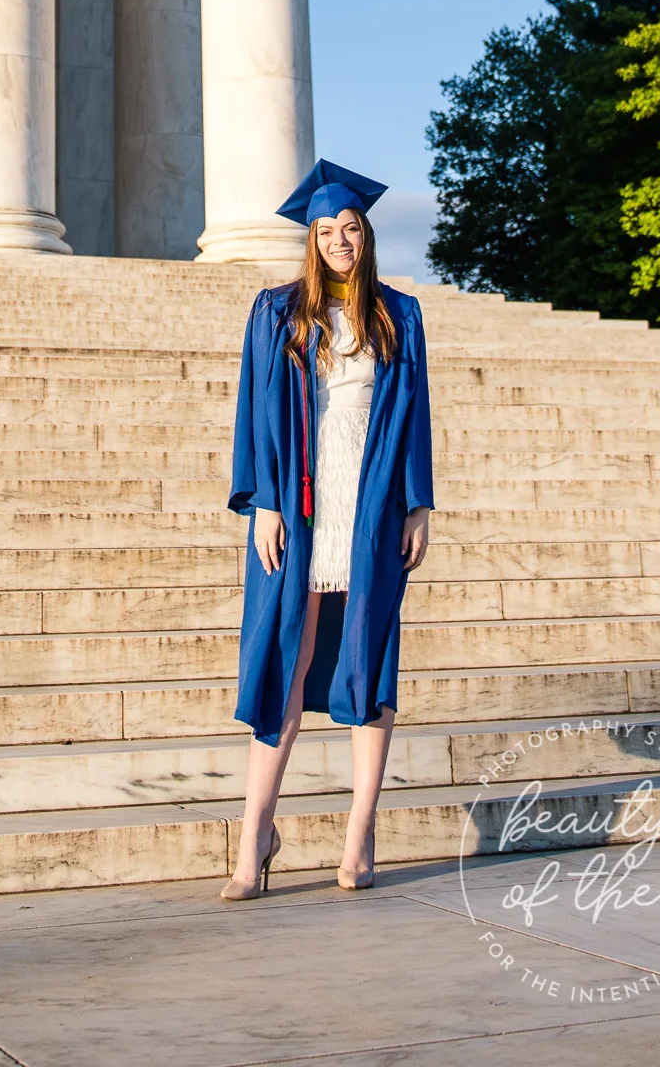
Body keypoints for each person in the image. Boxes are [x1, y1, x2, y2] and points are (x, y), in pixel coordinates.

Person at [222, 158, 434, 899]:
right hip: (301, 498)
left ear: (365, 233)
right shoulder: (275, 310)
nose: (339, 240)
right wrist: (263, 503)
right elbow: (254, 410)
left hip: (371, 498)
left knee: (368, 658)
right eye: (325, 231)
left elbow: (416, 419)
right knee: (288, 650)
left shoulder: (399, 314)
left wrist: (418, 502)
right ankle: (256, 836)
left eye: (349, 228)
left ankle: (360, 833)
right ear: (310, 241)